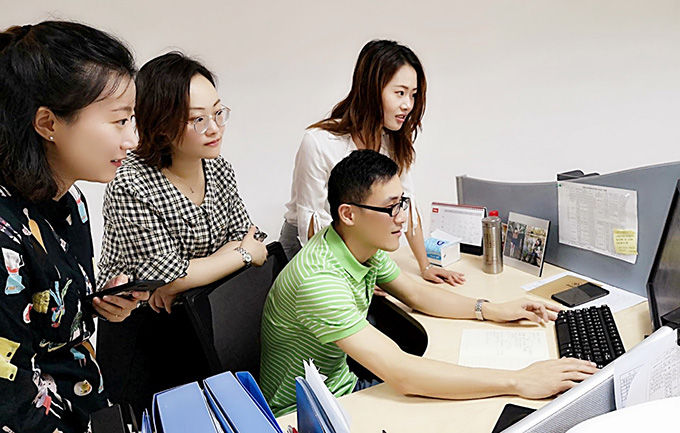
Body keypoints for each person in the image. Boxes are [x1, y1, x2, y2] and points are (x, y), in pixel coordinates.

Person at [260, 150, 597, 416]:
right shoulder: (318, 279)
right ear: (349, 214)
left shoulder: (357, 243)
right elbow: (403, 373)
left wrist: (491, 309)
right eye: (390, 208)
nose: (402, 218)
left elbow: (417, 293)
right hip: (311, 413)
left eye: (402, 203)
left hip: (340, 385)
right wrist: (519, 380)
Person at [96, 52, 267, 418]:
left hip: (200, 317)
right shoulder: (131, 182)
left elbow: (249, 238)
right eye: (198, 119)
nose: (214, 128)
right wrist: (238, 255)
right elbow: (169, 274)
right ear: (160, 123)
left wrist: (185, 279)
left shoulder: (218, 167)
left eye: (218, 113)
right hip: (143, 332)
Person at [0, 21, 147, 432]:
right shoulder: (5, 234)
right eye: (119, 121)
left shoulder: (70, 202)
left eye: (131, 119)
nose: (132, 140)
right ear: (48, 124)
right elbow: (11, 403)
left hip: (88, 404)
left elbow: (47, 315)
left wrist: (97, 305)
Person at [280, 39, 465, 287]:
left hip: (357, 248)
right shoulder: (319, 142)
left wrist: (426, 266)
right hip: (307, 249)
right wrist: (355, 273)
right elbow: (313, 225)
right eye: (400, 93)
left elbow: (407, 206)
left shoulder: (393, 142)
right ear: (371, 89)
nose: (408, 105)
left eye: (413, 95)